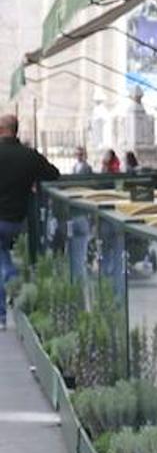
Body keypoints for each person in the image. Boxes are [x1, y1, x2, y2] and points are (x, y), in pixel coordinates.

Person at [0, 115, 59, 328]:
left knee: (2, 263)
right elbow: (54, 174)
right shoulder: (29, 156)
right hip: (18, 220)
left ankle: (4, 306)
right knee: (2, 256)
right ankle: (11, 287)